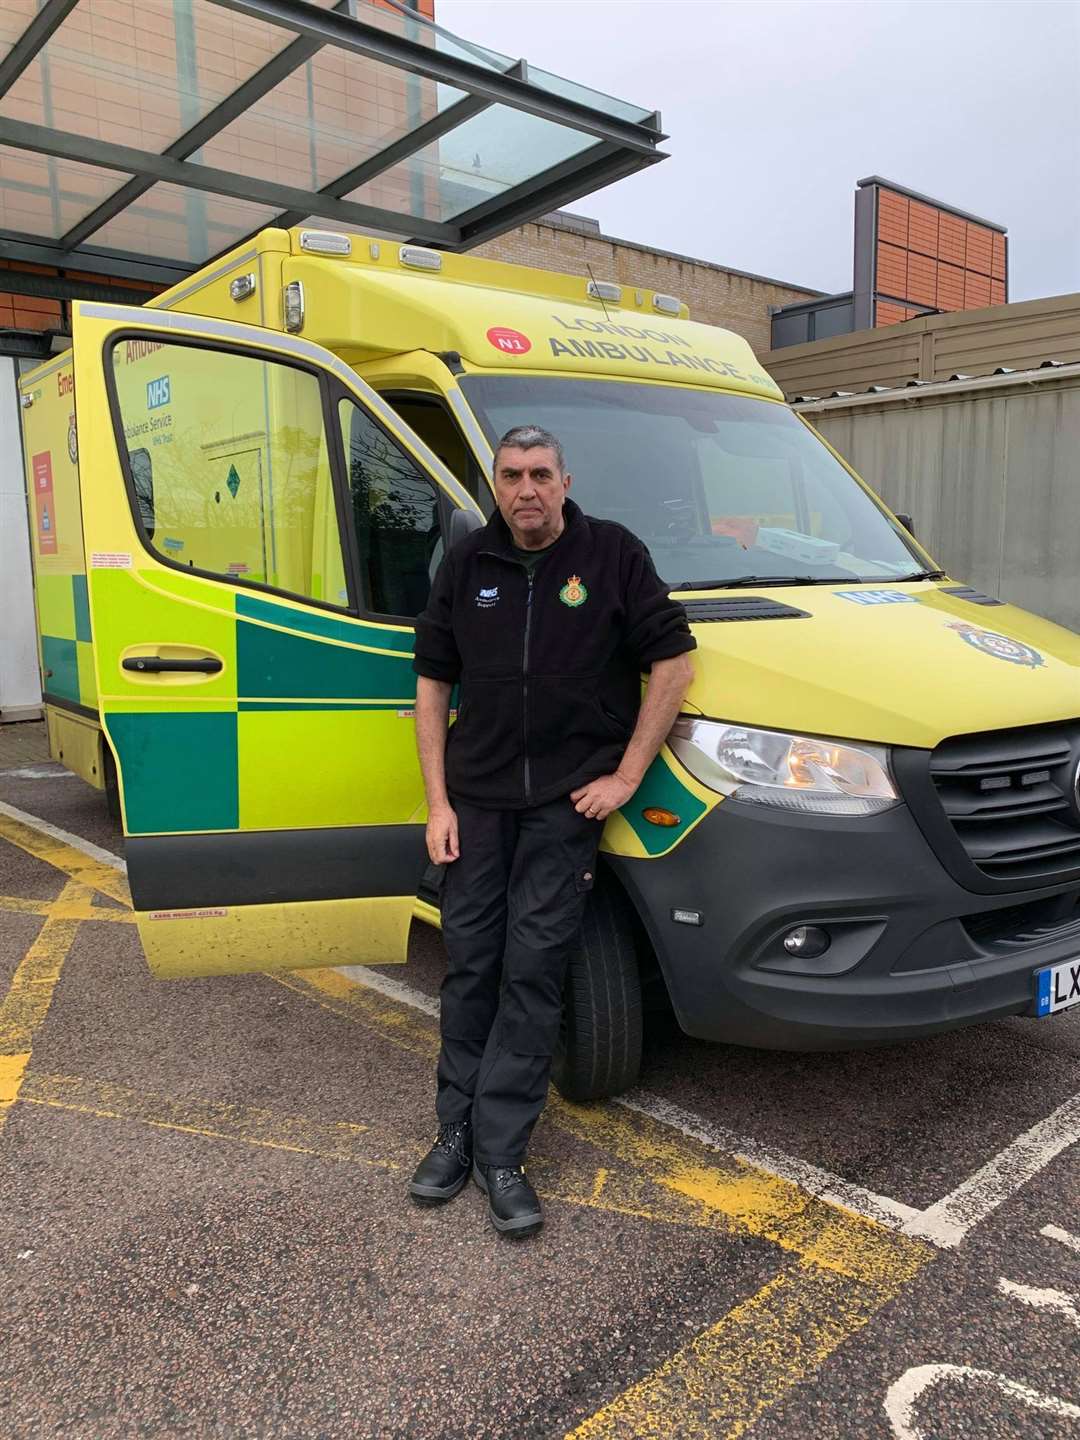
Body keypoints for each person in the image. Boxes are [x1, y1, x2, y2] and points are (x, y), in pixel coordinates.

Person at [408, 424, 696, 1237]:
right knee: (471, 966)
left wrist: (628, 776)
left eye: (540, 474)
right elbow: (432, 686)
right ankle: (453, 1135)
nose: (525, 489)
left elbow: (672, 665)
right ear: (493, 486)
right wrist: (438, 803)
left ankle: (502, 1152)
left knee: (533, 973)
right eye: (510, 475)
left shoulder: (612, 556)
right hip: (476, 806)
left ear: (565, 480)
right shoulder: (467, 563)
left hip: (564, 810)